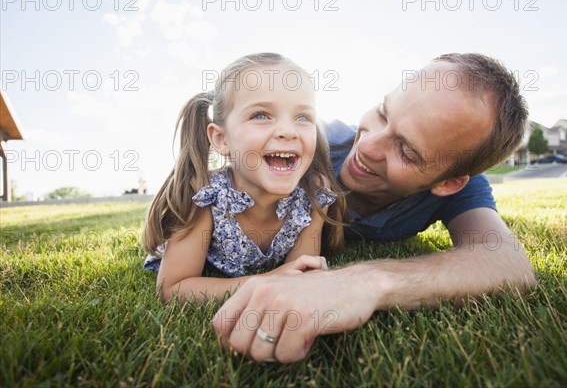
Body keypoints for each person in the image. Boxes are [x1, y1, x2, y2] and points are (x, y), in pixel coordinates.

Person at [212, 53, 537, 363]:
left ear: (448, 183)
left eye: (406, 152)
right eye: (383, 112)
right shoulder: (311, 145)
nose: (366, 146)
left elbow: (508, 263)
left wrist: (366, 282)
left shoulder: (459, 192)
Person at [141, 53, 345, 303]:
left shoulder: (313, 195)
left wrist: (292, 280)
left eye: (303, 117)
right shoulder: (206, 195)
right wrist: (269, 281)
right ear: (221, 139)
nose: (288, 131)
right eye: (261, 115)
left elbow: (300, 274)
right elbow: (173, 288)